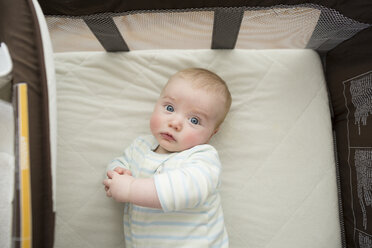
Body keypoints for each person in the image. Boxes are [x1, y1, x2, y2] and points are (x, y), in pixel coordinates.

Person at [103, 68, 231, 248]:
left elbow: (187, 189)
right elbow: (120, 162)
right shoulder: (140, 147)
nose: (175, 123)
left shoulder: (202, 158)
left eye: (194, 120)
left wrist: (131, 188)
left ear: (211, 134)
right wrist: (118, 174)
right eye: (169, 108)